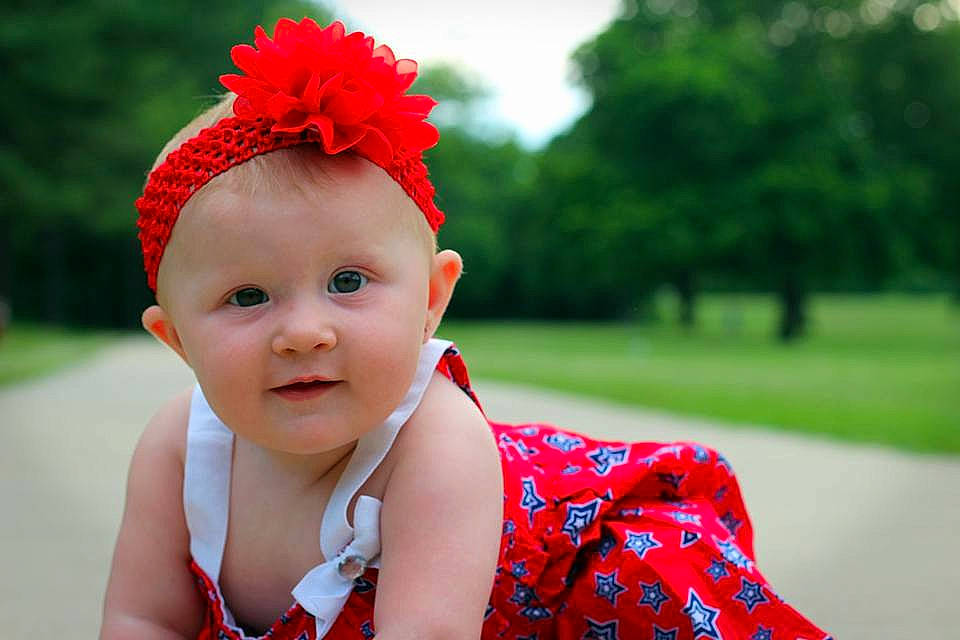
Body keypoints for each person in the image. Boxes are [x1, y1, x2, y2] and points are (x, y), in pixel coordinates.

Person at [101, 17, 830, 640]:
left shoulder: (436, 444)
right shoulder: (178, 448)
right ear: (177, 339)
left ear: (430, 299)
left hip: (573, 598)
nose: (304, 332)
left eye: (348, 282)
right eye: (248, 296)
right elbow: (143, 619)